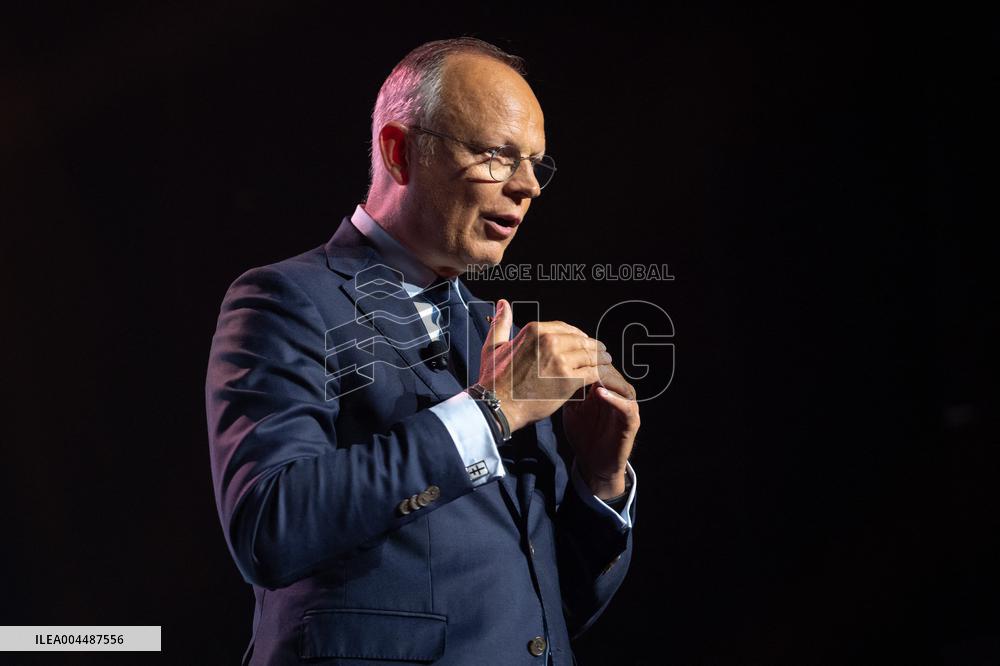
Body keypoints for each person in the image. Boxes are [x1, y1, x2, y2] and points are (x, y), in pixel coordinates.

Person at [205, 37, 640, 666]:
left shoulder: (494, 332)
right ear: (399, 151)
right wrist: (491, 412)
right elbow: (270, 528)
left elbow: (545, 614)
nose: (527, 188)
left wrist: (599, 482)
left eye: (535, 164)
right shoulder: (284, 300)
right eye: (496, 155)